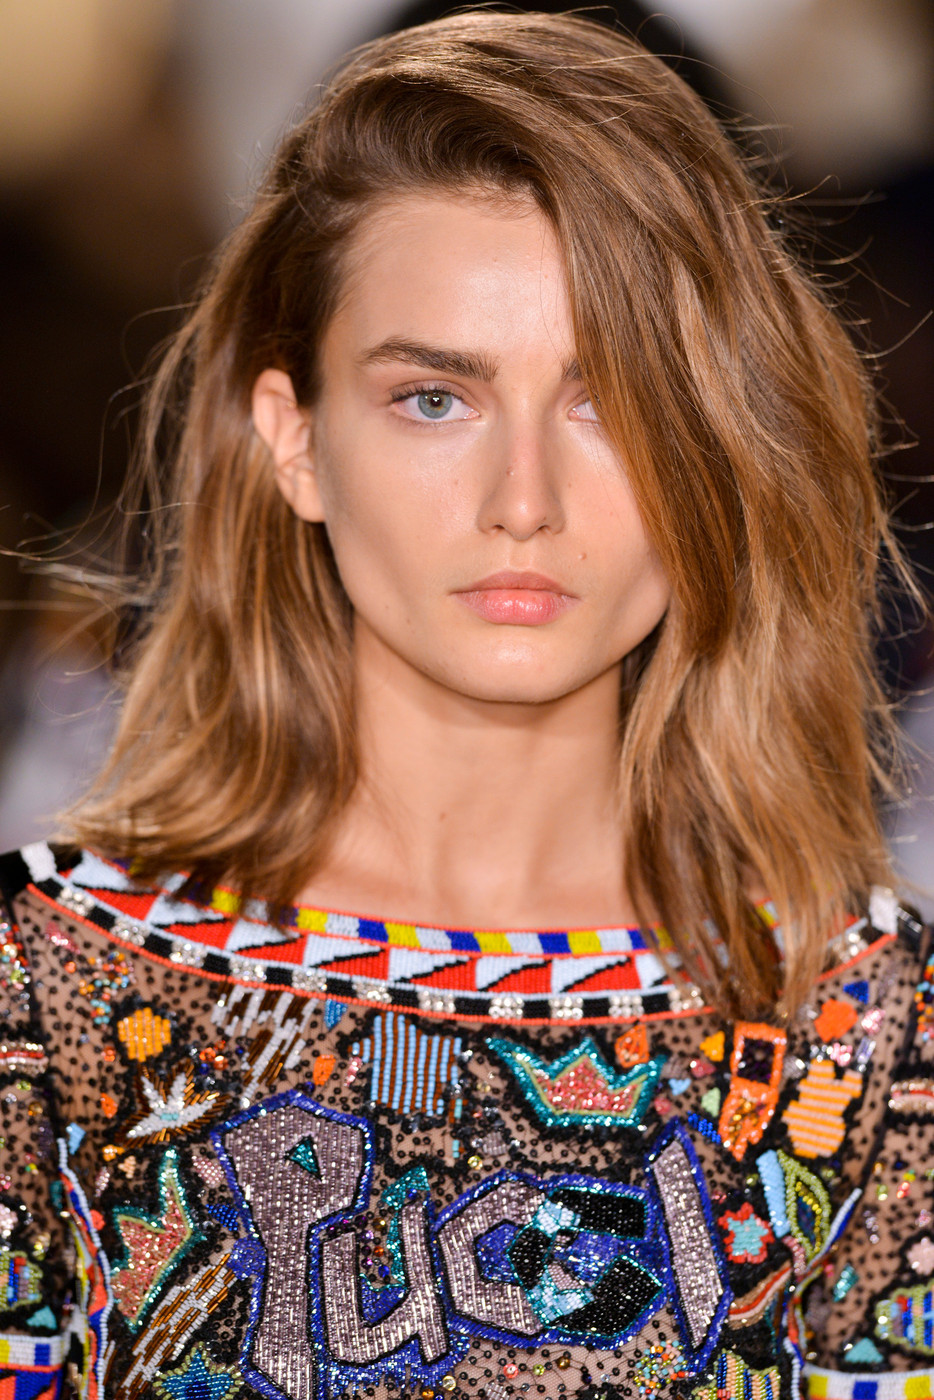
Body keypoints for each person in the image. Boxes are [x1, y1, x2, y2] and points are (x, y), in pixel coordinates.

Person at [0, 10, 931, 1399]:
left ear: (716, 441)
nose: (522, 502)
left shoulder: (867, 1028)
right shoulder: (42, 996)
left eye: (611, 402)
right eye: (434, 398)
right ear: (293, 439)